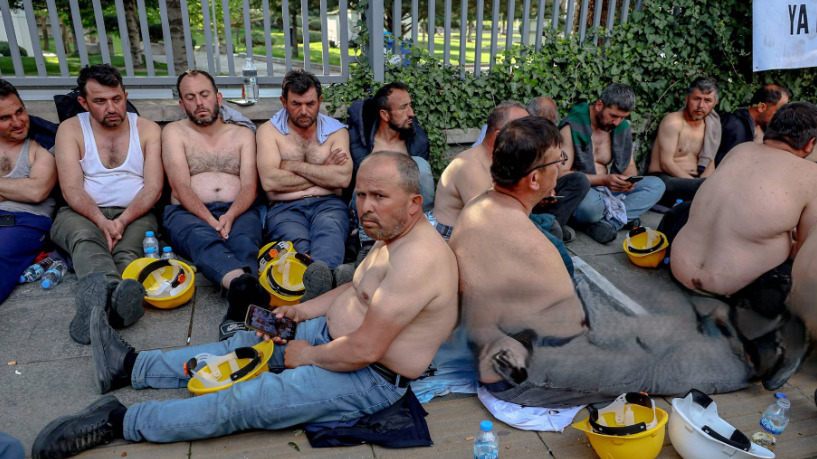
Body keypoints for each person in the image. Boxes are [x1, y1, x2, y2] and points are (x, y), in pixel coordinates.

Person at [31, 152, 459, 458]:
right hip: (332, 336)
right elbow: (356, 290)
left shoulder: (418, 261)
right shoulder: (392, 235)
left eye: (379, 197)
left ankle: (120, 422)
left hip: (367, 375)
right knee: (241, 345)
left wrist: (307, 355)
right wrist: (303, 312)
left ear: (415, 203)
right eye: (361, 195)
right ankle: (131, 367)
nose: (365, 207)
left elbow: (365, 349)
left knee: (246, 399)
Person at [451, 116, 752, 407]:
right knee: (658, 364)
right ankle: (745, 367)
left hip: (496, 344)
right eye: (558, 161)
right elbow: (573, 330)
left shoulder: (480, 205)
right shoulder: (532, 245)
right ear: (533, 179)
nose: (561, 168)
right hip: (519, 372)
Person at [670, 102, 817, 390]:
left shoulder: (740, 151)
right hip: (729, 285)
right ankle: (784, 342)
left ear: (768, 128)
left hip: (681, 268)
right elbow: (805, 253)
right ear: (811, 143)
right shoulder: (811, 176)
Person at [50, 64, 163, 345]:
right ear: (83, 103)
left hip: (135, 212)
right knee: (87, 240)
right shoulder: (70, 129)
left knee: (129, 252)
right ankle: (115, 301)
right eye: (100, 101)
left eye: (117, 99)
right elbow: (71, 188)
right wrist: (102, 222)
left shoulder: (147, 129)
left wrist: (121, 222)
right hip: (81, 212)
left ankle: (101, 309)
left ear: (125, 95)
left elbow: (153, 187)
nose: (111, 108)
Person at [161, 69, 267, 339]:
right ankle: (246, 291)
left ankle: (239, 298)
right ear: (182, 104)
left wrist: (230, 216)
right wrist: (212, 221)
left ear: (218, 97)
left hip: (239, 208)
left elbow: (249, 186)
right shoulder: (174, 132)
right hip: (188, 212)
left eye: (205, 94)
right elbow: (180, 186)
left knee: (244, 242)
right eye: (191, 97)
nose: (199, 103)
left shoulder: (242, 135)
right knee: (202, 239)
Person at [256, 70, 352, 271]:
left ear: (320, 101)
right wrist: (324, 172)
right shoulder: (268, 132)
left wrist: (292, 166)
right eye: (296, 104)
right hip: (284, 208)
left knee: (330, 237)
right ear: (284, 102)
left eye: (310, 104)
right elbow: (270, 182)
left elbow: (342, 179)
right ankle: (323, 286)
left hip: (329, 205)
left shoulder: (336, 131)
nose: (304, 111)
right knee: (297, 247)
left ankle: (318, 286)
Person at [559, 83, 665, 243]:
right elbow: (560, 174)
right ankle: (619, 218)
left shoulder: (620, 128)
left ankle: (608, 223)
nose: (617, 122)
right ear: (599, 105)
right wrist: (602, 180)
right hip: (584, 192)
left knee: (656, 185)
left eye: (623, 117)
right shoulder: (572, 126)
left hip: (610, 190)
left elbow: (629, 166)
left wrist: (629, 182)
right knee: (590, 208)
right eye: (614, 116)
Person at [346, 82, 435, 255]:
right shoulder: (359, 142)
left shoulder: (417, 141)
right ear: (384, 115)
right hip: (367, 208)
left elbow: (416, 187)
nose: (411, 113)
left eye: (410, 105)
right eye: (403, 108)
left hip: (402, 209)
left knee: (420, 166)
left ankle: (423, 231)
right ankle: (368, 244)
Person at [432, 101, 529, 240]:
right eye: (525, 132)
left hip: (481, 232)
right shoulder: (470, 166)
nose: (532, 138)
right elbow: (490, 224)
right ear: (499, 137)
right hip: (451, 239)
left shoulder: (502, 160)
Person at [0, 79, 57, 305]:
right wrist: (17, 187)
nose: (17, 122)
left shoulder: (41, 146)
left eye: (20, 111)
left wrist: (24, 188)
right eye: (5, 118)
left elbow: (36, 191)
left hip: (24, 222)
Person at [647, 77, 720, 205]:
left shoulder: (711, 127)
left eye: (707, 100)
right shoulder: (673, 122)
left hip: (694, 181)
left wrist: (706, 183)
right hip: (666, 179)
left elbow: (710, 161)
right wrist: (698, 185)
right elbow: (666, 163)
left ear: (715, 103)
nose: (701, 106)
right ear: (687, 99)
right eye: (696, 99)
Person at [714, 84, 791, 167]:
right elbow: (725, 165)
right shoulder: (735, 125)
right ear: (761, 107)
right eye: (779, 110)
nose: (781, 115)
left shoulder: (765, 126)